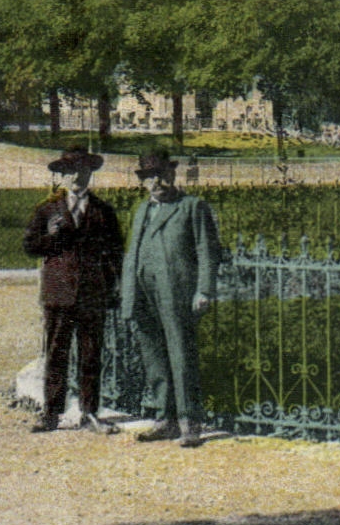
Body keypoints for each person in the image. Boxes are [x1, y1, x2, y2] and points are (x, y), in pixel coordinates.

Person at [119, 150, 221, 448]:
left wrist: (204, 289)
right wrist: (128, 291)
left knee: (181, 355)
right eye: (151, 176)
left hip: (176, 293)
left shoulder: (191, 207)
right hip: (143, 294)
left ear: (173, 175)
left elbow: (207, 252)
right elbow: (132, 252)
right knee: (154, 357)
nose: (158, 182)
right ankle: (165, 419)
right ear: (143, 181)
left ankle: (190, 422)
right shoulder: (142, 210)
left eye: (163, 174)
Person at [22, 147, 125, 434]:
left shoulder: (103, 212)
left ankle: (90, 412)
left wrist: (114, 286)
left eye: (82, 171)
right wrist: (50, 236)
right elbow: (30, 246)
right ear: (63, 176)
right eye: (70, 172)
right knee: (56, 354)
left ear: (90, 174)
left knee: (91, 354)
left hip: (92, 294)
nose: (76, 177)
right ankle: (52, 413)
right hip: (59, 294)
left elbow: (116, 252)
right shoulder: (48, 209)